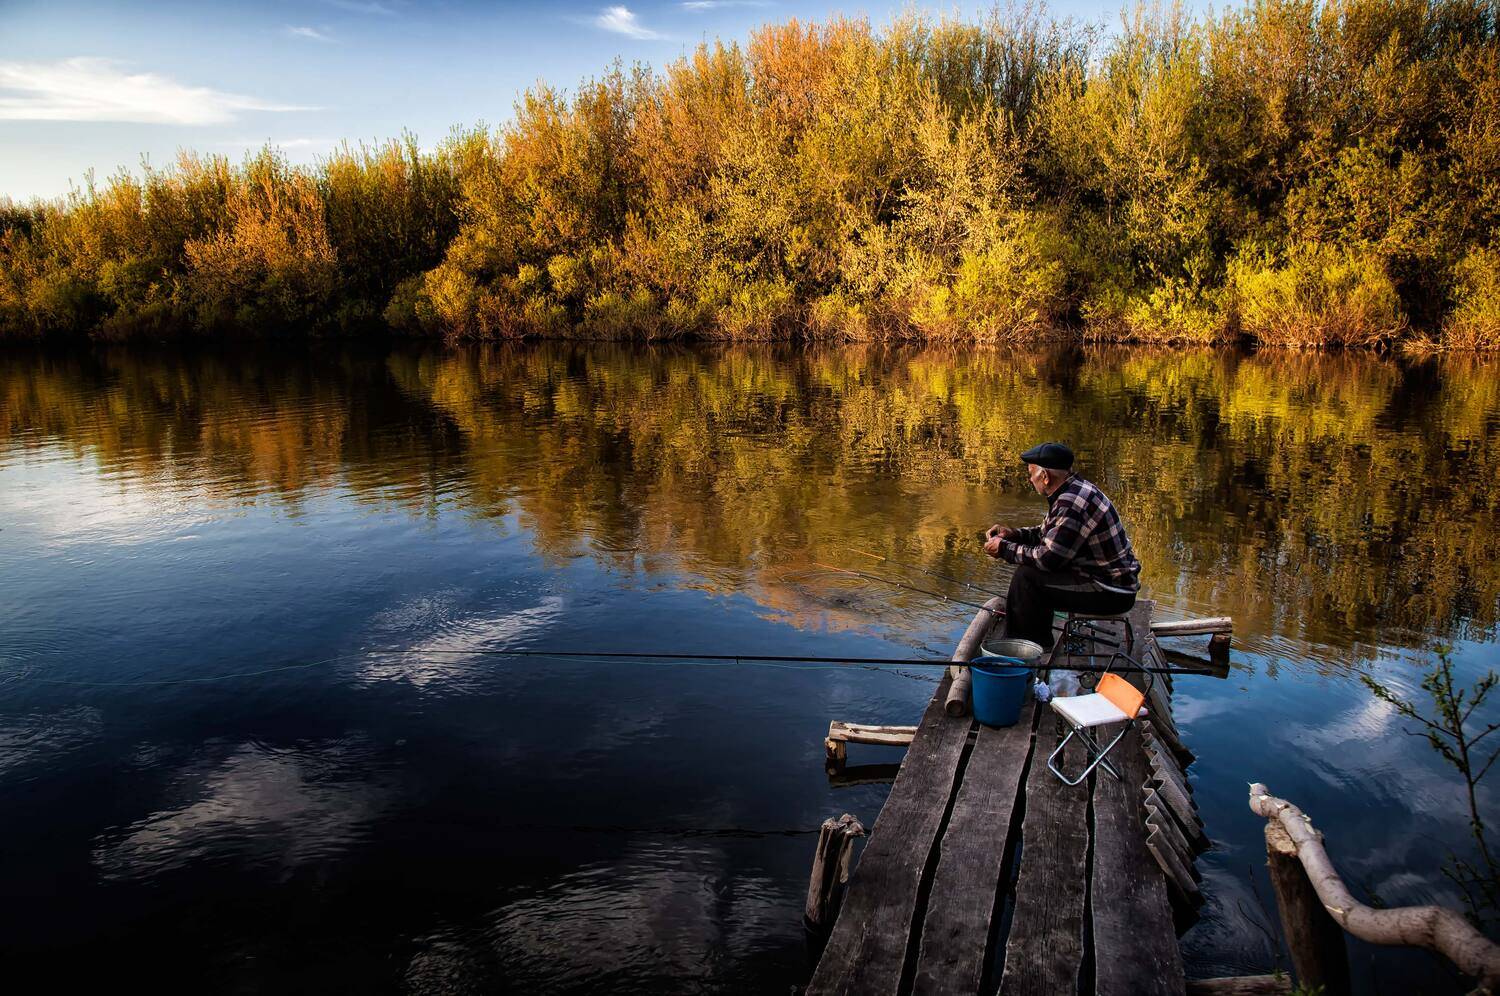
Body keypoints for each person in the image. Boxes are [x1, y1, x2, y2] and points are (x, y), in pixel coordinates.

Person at [982, 442, 1140, 652]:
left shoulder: (1071, 503)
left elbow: (1047, 558)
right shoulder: (1073, 490)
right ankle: (1034, 641)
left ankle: (1026, 651)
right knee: (1030, 575)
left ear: (1045, 476)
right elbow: (1048, 535)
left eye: (1031, 474)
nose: (1030, 479)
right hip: (1105, 580)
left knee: (1027, 579)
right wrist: (1013, 535)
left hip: (1110, 591)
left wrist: (1003, 549)